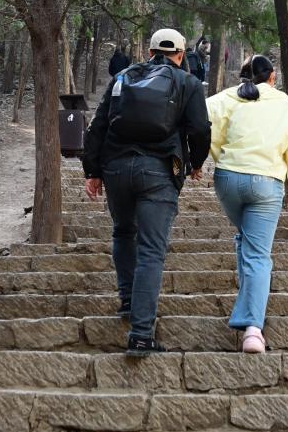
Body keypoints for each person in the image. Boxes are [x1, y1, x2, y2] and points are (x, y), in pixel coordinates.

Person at [84, 26, 210, 355]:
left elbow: (98, 124)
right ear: (180, 55)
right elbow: (199, 128)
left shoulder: (122, 77)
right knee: (152, 250)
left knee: (123, 232)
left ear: (150, 51)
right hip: (159, 171)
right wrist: (196, 163)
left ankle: (128, 300)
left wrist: (92, 171)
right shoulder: (188, 82)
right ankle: (141, 334)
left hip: (115, 169)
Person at [206, 54, 288, 354]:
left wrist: (219, 156)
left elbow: (204, 126)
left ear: (243, 76)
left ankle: (246, 304)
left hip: (228, 179)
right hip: (266, 182)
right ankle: (253, 329)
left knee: (247, 239)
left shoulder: (224, 99)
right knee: (258, 254)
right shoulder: (285, 103)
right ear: (272, 76)